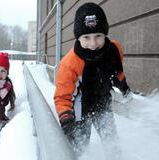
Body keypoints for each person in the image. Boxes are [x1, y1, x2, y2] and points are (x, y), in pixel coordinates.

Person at [54, 2, 133, 158]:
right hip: (80, 110)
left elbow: (116, 71)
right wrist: (66, 120)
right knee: (80, 148)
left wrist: (123, 87)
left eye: (98, 36)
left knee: (112, 143)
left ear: (105, 34)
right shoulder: (70, 63)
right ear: (78, 37)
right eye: (86, 37)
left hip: (102, 104)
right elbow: (62, 96)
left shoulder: (114, 50)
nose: (93, 43)